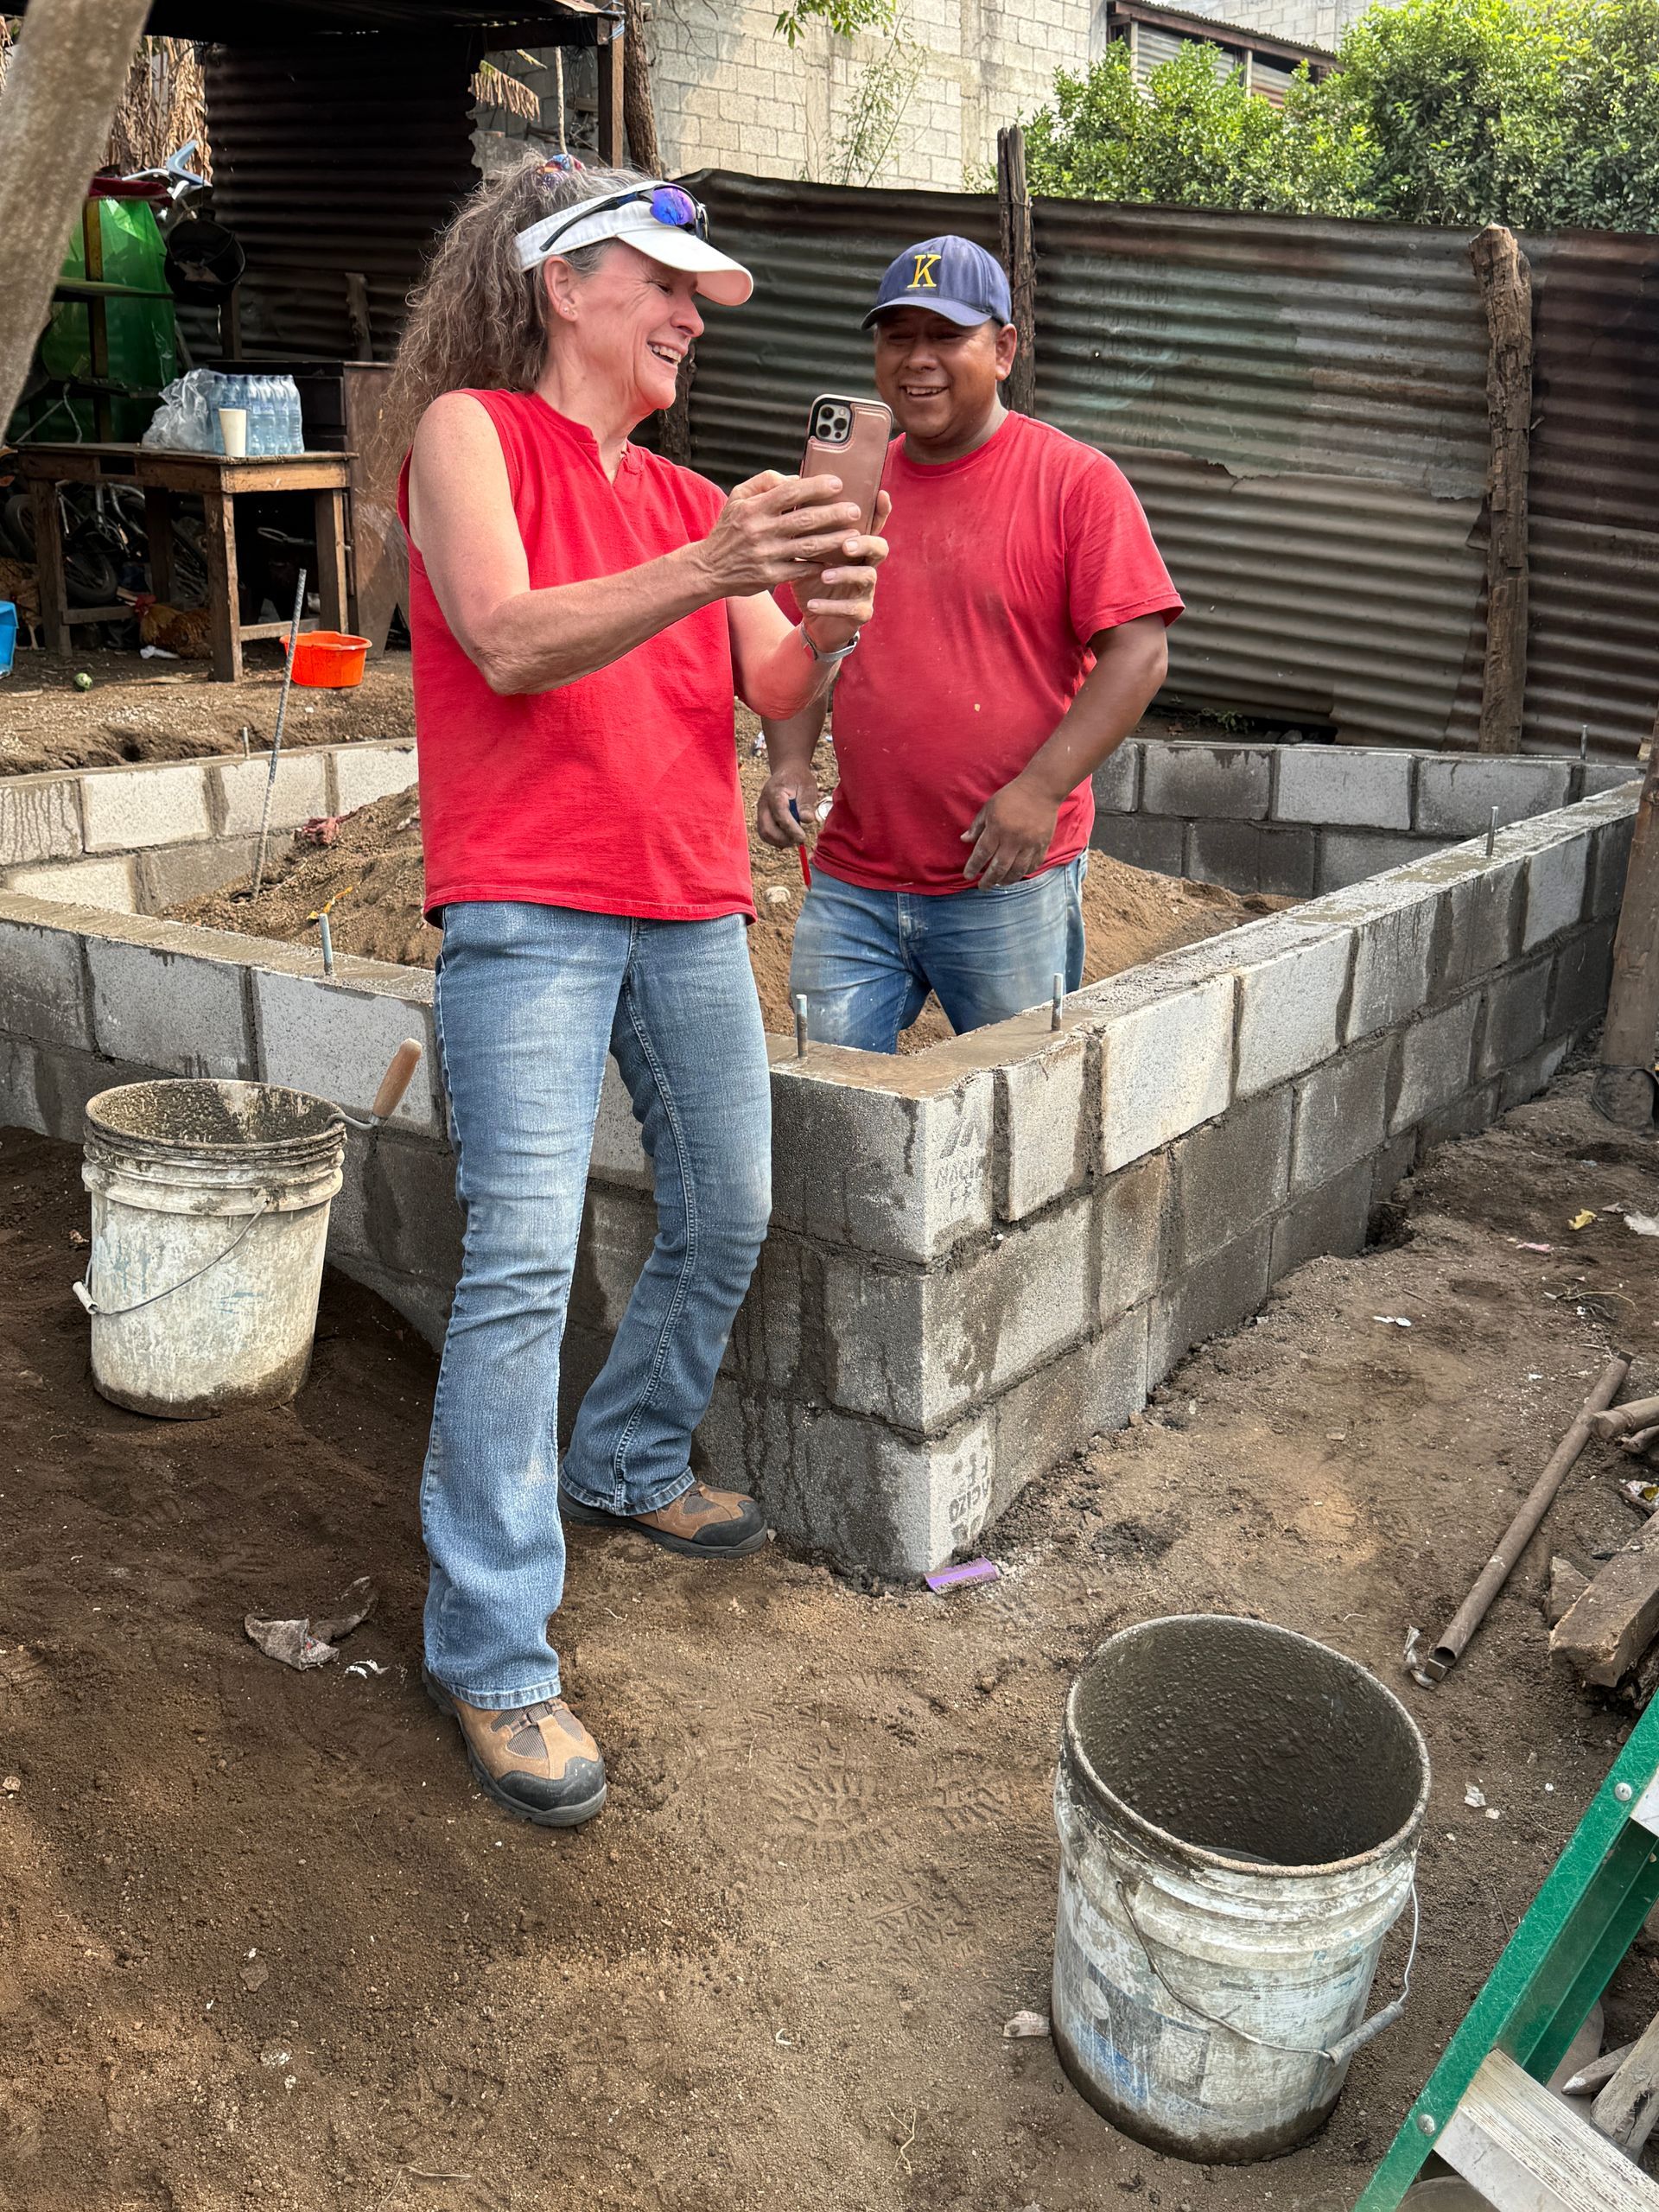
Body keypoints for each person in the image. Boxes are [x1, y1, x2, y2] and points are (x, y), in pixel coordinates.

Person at [385, 157, 888, 1829]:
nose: (691, 315)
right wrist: (720, 560)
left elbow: (769, 686)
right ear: (563, 284)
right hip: (527, 904)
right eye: (666, 287)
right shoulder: (471, 435)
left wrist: (834, 614)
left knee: (729, 1207)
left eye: (701, 300)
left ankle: (623, 1462)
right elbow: (509, 637)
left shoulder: (690, 503)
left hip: (684, 904)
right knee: (523, 1261)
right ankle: (491, 1646)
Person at [757, 235, 1182, 1051]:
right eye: (897, 336)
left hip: (1005, 879)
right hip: (855, 881)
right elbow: (799, 641)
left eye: (946, 336)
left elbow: (1140, 652)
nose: (917, 360)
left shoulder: (1074, 482)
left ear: (1004, 349)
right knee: (826, 1106)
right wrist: (788, 761)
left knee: (1018, 1113)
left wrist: (1041, 791)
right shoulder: (847, 491)